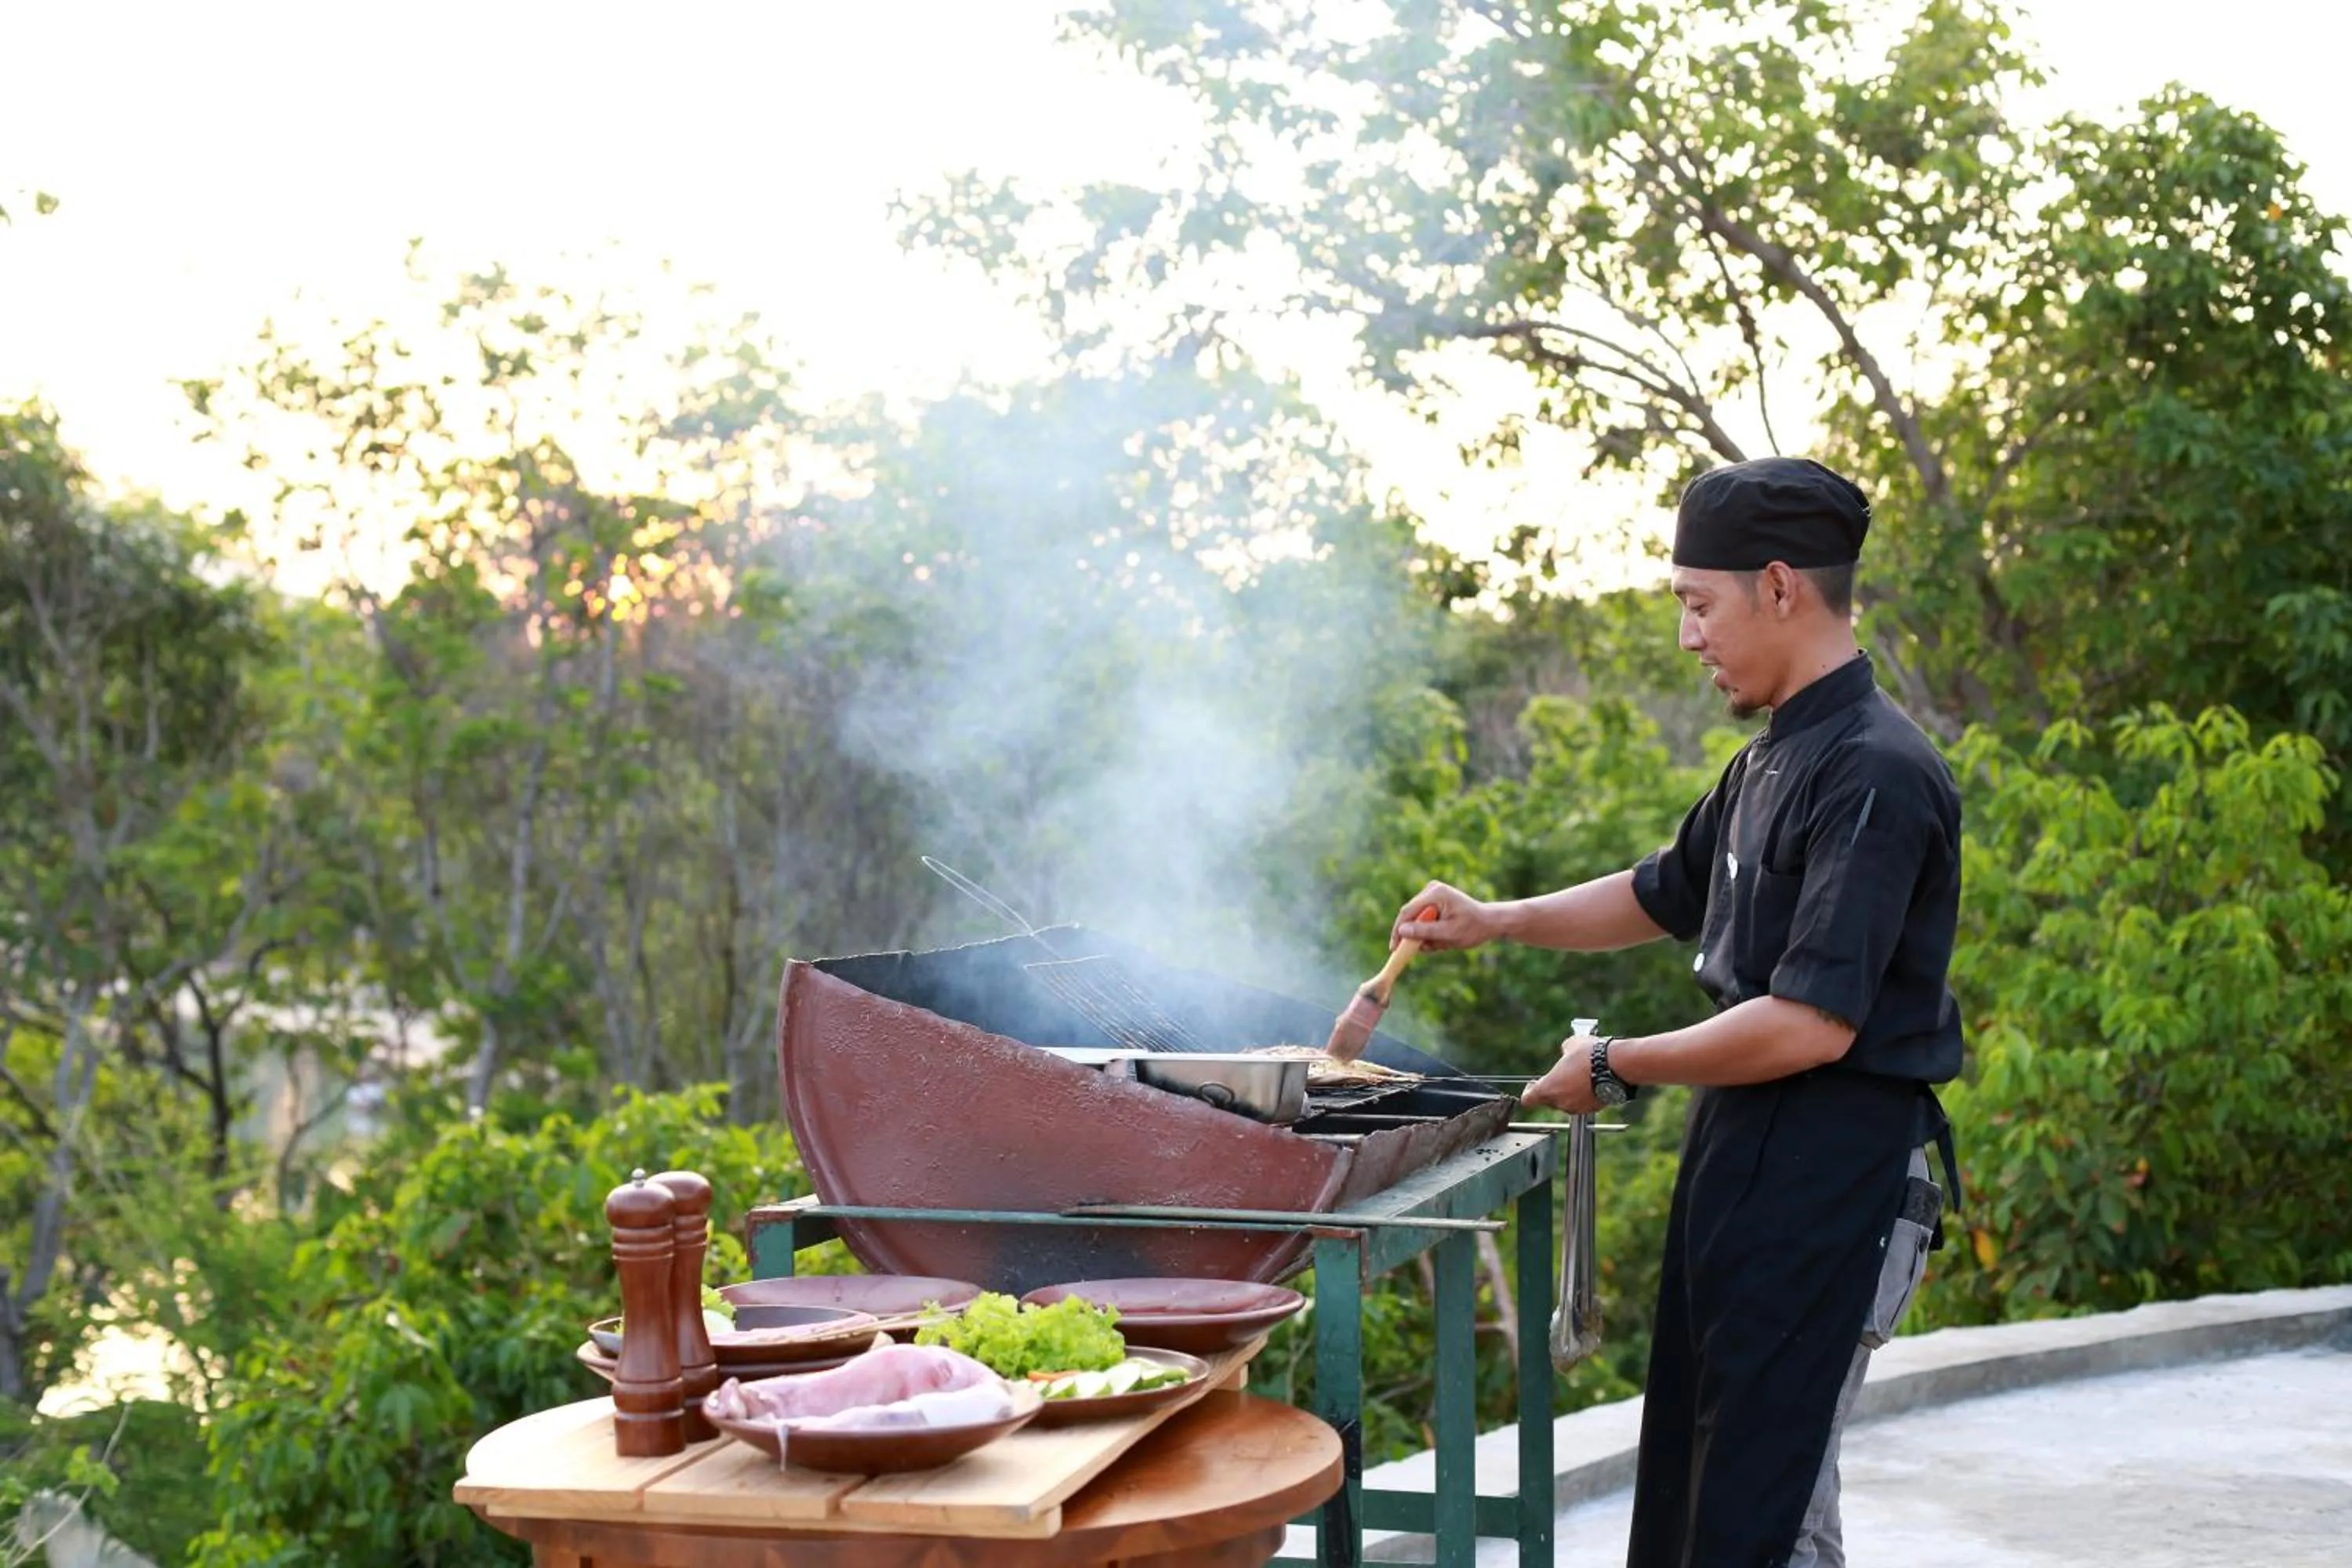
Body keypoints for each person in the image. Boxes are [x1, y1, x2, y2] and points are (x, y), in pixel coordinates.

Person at [1393, 456, 1963, 1568]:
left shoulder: (1877, 773)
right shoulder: (1771, 760)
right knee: (1707, 1494)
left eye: (1700, 605)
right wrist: (1494, 917)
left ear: (1782, 586)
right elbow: (1660, 891)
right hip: (1747, 1160)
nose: (1691, 636)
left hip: (1838, 1176)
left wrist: (1616, 1064)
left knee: (1768, 1511)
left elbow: (1812, 1024)